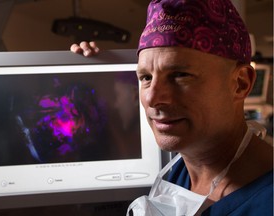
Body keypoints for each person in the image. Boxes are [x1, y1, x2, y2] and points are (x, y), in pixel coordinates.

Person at [70, 0, 273, 215]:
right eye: (146, 77)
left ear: (240, 83)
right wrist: (86, 73)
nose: (153, 97)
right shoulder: (179, 166)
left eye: (180, 75)